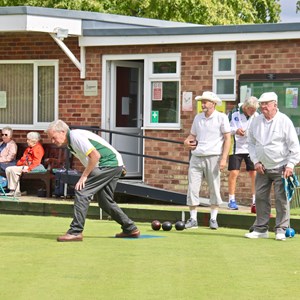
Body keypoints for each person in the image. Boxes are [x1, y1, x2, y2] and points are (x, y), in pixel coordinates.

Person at [46, 119, 140, 242]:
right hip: (113, 164)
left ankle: (75, 232)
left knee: (82, 191)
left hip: (107, 164)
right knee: (105, 201)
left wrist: (84, 176)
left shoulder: (75, 136)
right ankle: (130, 228)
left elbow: (95, 156)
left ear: (63, 131)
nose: (52, 141)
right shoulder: (71, 140)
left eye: (53, 137)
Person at [245, 92, 300, 241]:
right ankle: (261, 229)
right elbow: (250, 143)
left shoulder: (284, 121)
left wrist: (290, 165)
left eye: (266, 104)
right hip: (262, 167)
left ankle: (281, 229)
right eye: (261, 104)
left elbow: (294, 145)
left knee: (281, 199)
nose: (263, 107)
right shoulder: (256, 121)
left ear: (275, 105)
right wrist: (255, 161)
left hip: (281, 166)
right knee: (261, 198)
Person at [184, 91, 231, 230]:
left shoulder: (221, 118)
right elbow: (192, 135)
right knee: (192, 187)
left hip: (214, 157)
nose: (203, 104)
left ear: (213, 103)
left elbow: (228, 138)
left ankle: (213, 219)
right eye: (202, 101)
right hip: (196, 156)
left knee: (214, 187)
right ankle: (193, 219)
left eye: (205, 102)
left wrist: (223, 158)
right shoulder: (198, 118)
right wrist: (186, 142)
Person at [227, 97, 259, 210]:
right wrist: (236, 131)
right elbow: (226, 128)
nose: (253, 112)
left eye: (255, 109)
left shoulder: (256, 115)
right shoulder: (233, 113)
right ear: (245, 107)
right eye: (251, 109)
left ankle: (255, 201)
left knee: (254, 173)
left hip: (251, 147)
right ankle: (231, 200)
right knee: (234, 172)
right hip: (236, 147)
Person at [5, 132, 46, 197]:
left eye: (28, 140)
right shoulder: (29, 148)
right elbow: (23, 158)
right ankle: (12, 190)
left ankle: (15, 191)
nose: (27, 141)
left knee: (13, 170)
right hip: (25, 165)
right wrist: (19, 164)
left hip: (34, 167)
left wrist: (29, 169)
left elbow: (36, 162)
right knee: (8, 169)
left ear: (34, 140)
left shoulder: (38, 148)